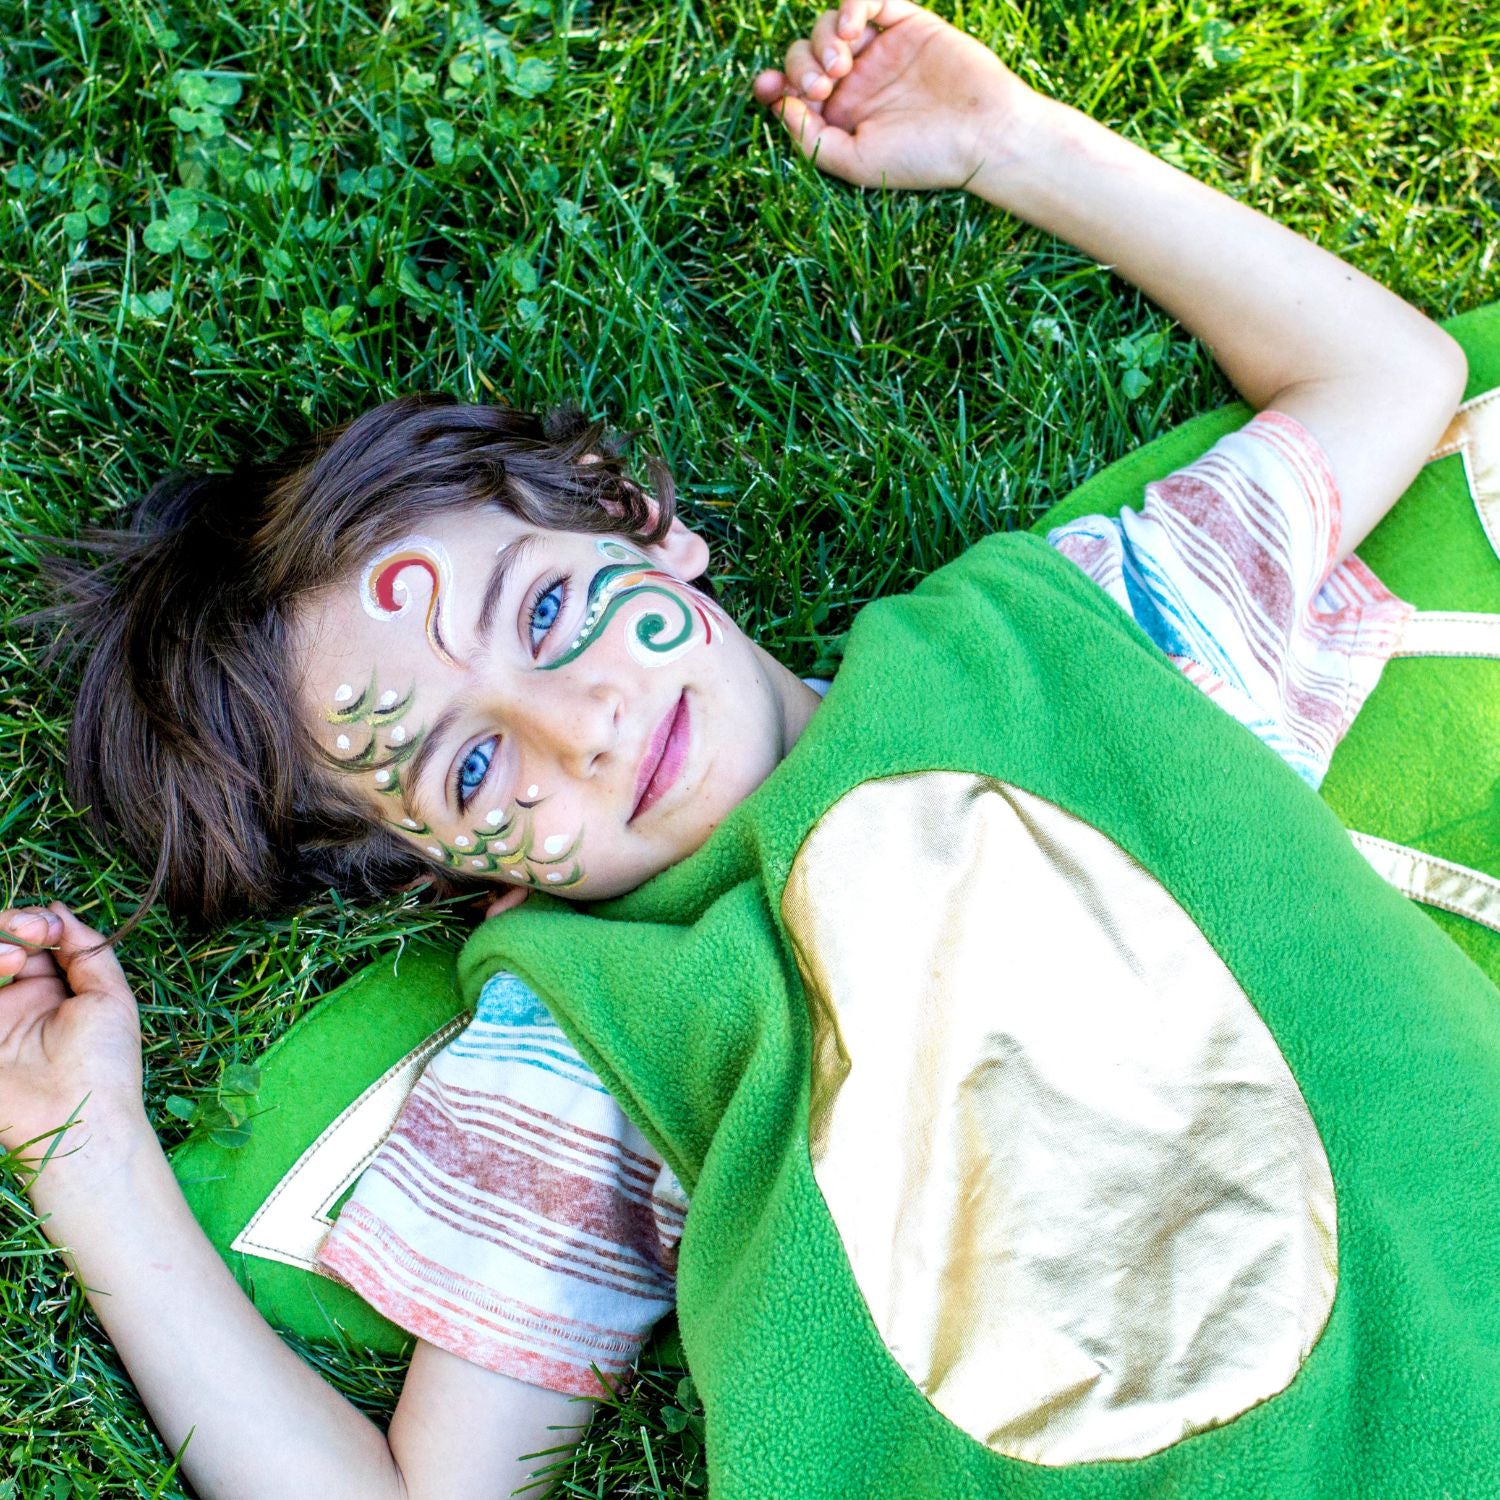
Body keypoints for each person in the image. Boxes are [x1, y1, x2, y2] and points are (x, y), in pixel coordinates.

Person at [1, 2, 1490, 1496]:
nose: (574, 726)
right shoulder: (584, 1031)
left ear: (644, 515)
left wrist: (1008, 144)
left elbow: (1382, 377)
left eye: (549, 608)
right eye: (465, 770)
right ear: (431, 867)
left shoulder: (1065, 633)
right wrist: (87, 1155)